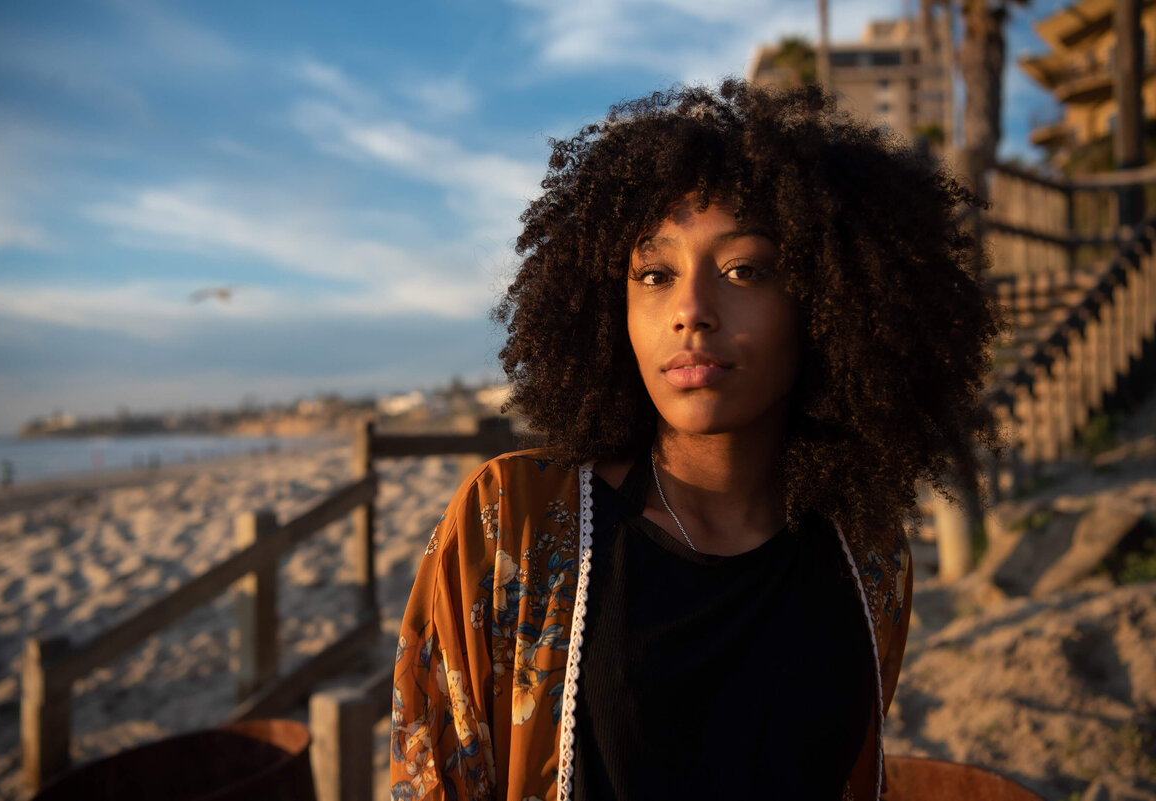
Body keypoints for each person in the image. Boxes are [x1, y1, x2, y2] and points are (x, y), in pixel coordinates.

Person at [390, 81, 998, 801]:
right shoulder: (514, 519)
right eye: (655, 273)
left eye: (744, 270)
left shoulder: (869, 556)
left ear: (831, 302)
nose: (690, 311)